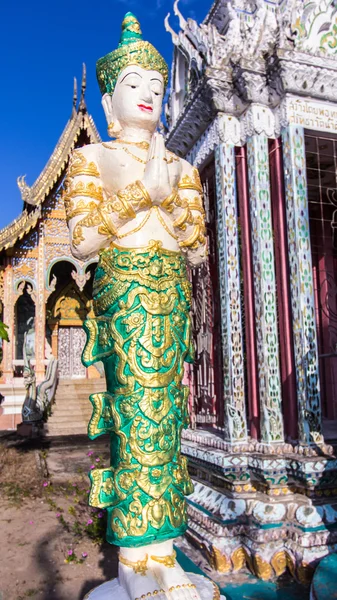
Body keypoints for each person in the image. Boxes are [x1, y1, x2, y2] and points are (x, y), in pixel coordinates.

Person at [64, 13, 207, 600]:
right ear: (108, 97)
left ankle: (165, 551)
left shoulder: (183, 168)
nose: (150, 94)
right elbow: (83, 239)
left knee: (168, 420)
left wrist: (167, 198)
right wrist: (139, 195)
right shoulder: (91, 161)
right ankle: (134, 557)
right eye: (136, 84)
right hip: (123, 294)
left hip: (171, 295)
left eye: (158, 84)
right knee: (135, 417)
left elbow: (198, 246)